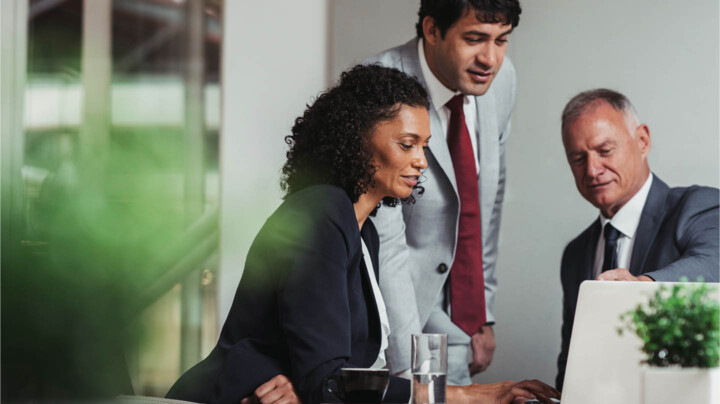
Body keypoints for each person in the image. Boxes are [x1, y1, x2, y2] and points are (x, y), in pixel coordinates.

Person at [166, 65, 560, 404]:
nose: (420, 161)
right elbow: (329, 383)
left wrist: (478, 393)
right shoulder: (322, 213)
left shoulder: (363, 232)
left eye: (424, 145)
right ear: (356, 140)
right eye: (407, 144)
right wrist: (473, 395)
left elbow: (334, 383)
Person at [365, 0, 521, 384]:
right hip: (390, 321)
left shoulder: (501, 81)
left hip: (458, 314)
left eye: (502, 40)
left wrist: (480, 312)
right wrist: (406, 369)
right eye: (474, 39)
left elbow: (487, 199)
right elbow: (385, 240)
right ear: (432, 30)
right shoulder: (379, 87)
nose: (491, 58)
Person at [556, 88, 720, 390]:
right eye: (578, 159)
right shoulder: (575, 254)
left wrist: (640, 288)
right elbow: (572, 365)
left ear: (642, 140)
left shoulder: (698, 207)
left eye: (605, 150)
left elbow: (713, 265)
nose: (592, 170)